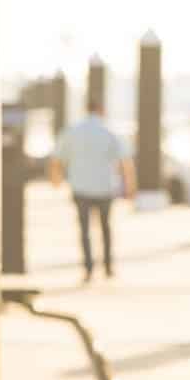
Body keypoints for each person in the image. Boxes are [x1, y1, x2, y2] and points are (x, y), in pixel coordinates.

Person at [49, 98, 136, 281]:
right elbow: (125, 163)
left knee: (84, 230)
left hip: (80, 187)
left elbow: (57, 159)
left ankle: (88, 269)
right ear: (101, 110)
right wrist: (129, 187)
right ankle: (108, 267)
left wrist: (56, 181)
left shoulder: (72, 131)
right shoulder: (110, 132)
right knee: (106, 228)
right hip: (105, 187)